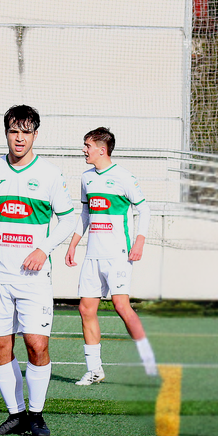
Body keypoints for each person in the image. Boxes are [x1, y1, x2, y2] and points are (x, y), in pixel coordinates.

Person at [0, 105, 78, 436]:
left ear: (35, 135)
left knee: (36, 345)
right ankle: (16, 415)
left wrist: (44, 249)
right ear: (6, 133)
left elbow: (68, 219)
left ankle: (36, 415)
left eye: (26, 132)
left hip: (33, 278)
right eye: (14, 131)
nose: (19, 138)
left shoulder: (50, 174)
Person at [64, 127, 158, 384]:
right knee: (86, 309)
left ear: (102, 149)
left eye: (87, 146)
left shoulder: (124, 177)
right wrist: (73, 244)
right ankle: (95, 370)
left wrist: (139, 242)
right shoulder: (86, 178)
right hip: (92, 255)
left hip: (118, 256)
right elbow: (85, 214)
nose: (84, 150)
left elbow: (144, 209)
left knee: (121, 306)